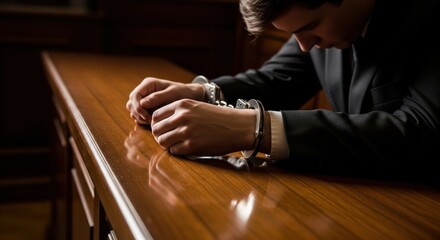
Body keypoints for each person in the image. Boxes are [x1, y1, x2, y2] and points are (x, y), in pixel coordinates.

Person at [126, 0, 440, 183]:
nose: (304, 46)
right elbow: (280, 78)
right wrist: (200, 92)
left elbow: (419, 131)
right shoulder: (318, 22)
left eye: (309, 27)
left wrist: (255, 128)